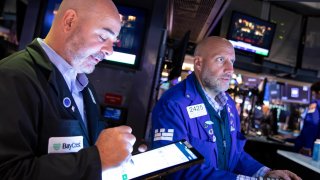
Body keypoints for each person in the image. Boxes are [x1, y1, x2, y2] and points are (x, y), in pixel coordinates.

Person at [0, 0, 136, 179]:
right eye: (103, 37)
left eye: (113, 42)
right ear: (69, 21)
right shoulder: (12, 76)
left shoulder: (85, 88)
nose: (110, 51)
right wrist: (97, 159)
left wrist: (117, 155)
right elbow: (8, 172)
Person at [151, 36, 301, 179]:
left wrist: (264, 172)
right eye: (220, 59)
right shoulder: (173, 104)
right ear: (198, 63)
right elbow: (176, 168)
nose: (230, 69)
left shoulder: (228, 104)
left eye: (232, 61)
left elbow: (235, 153)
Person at [295, 81, 320, 156]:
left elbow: (312, 124)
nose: (313, 96)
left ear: (318, 93)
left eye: (313, 94)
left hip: (309, 147)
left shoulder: (315, 104)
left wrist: (307, 146)